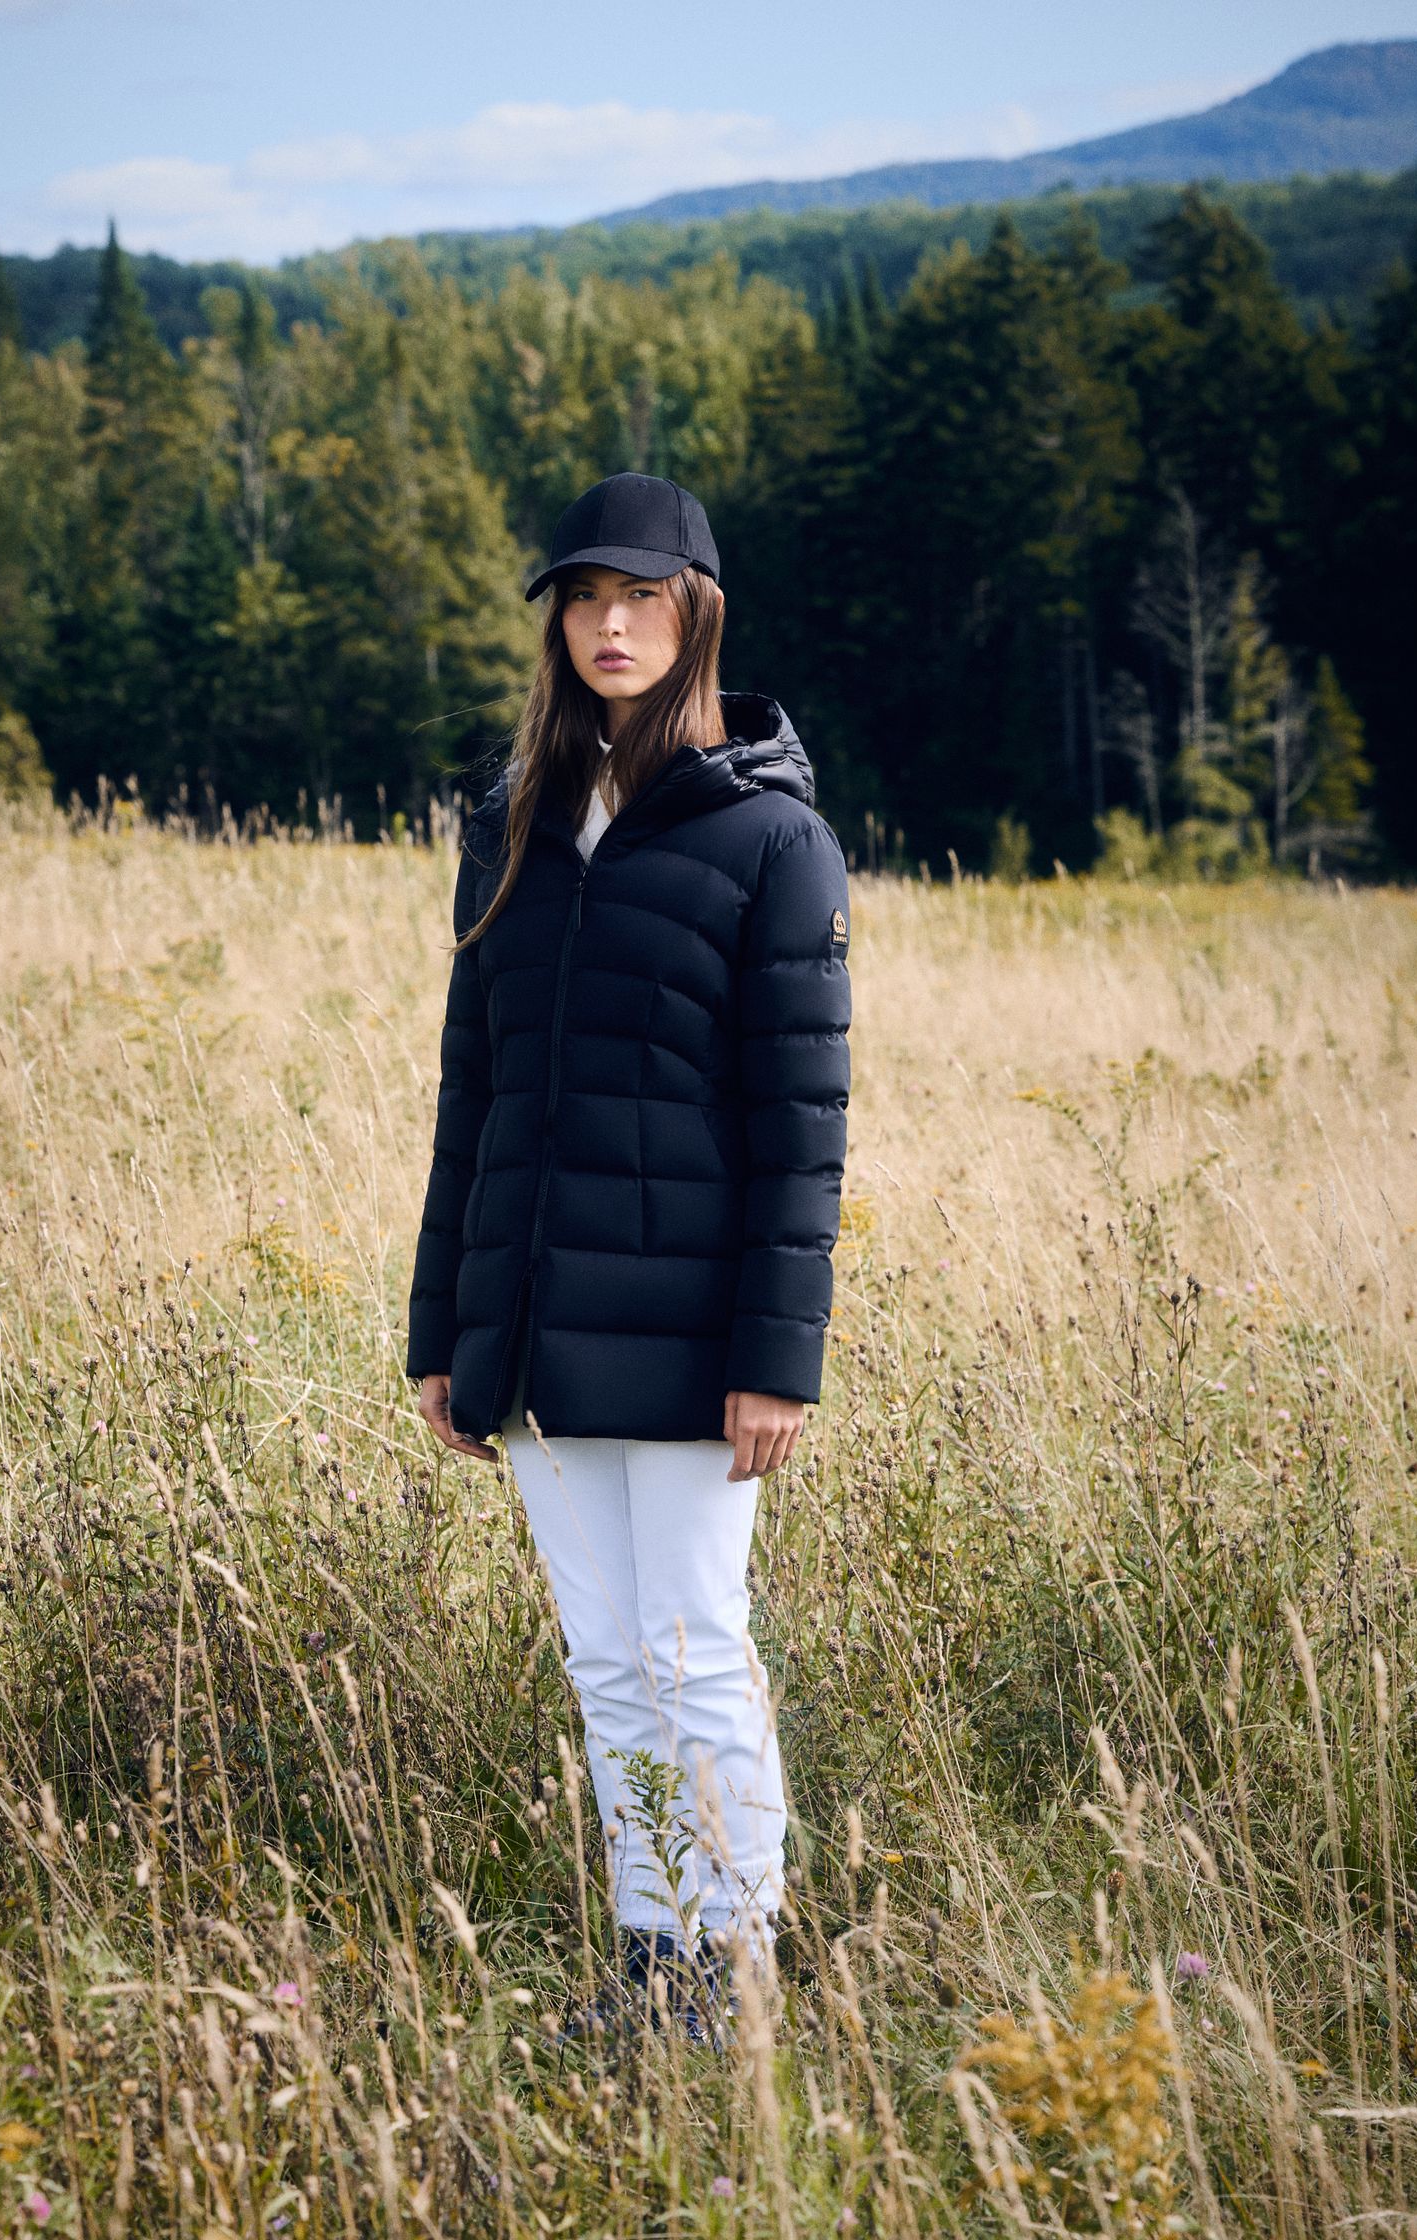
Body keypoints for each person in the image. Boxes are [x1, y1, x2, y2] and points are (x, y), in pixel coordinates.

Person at [404, 470, 852, 2039]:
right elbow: (477, 1092)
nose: (609, 623)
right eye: (585, 598)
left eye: (640, 597)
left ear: (695, 615)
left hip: (692, 1344)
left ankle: (736, 1972)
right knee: (607, 1663)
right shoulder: (511, 826)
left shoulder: (770, 838)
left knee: (694, 1650)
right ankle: (655, 1961)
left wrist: (772, 1361)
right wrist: (443, 1333)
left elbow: (803, 1129)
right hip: (531, 1327)